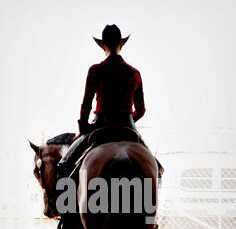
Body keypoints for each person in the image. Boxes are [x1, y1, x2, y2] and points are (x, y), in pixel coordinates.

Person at [57, 24, 163, 175]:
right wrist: (127, 120)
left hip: (100, 125)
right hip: (128, 126)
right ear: (121, 44)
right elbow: (141, 110)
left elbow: (86, 106)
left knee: (63, 166)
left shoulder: (95, 70)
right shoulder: (135, 73)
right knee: (157, 169)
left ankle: (63, 199)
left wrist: (83, 128)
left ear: (102, 46)